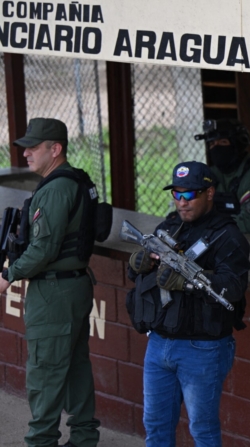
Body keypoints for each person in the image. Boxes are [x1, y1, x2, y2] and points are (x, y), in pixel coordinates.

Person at [125, 161, 250, 446]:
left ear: (209, 192)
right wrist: (137, 263)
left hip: (202, 347)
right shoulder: (170, 226)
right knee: (155, 426)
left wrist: (188, 281)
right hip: (159, 341)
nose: (182, 202)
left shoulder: (226, 235)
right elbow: (136, 273)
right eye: (177, 194)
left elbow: (233, 287)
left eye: (189, 195)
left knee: (202, 430)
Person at [0, 118, 101, 447]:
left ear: (55, 149)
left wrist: (6, 276)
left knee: (44, 371)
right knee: (74, 367)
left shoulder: (57, 187)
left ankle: (40, 442)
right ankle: (84, 438)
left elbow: (43, 249)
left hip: (55, 290)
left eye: (34, 147)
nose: (26, 153)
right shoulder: (72, 180)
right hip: (72, 285)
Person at [194, 119, 250, 235]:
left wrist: (206, 225)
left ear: (237, 145)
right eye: (212, 144)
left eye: (223, 142)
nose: (216, 148)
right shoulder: (211, 173)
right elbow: (193, 208)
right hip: (222, 237)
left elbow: (248, 224)